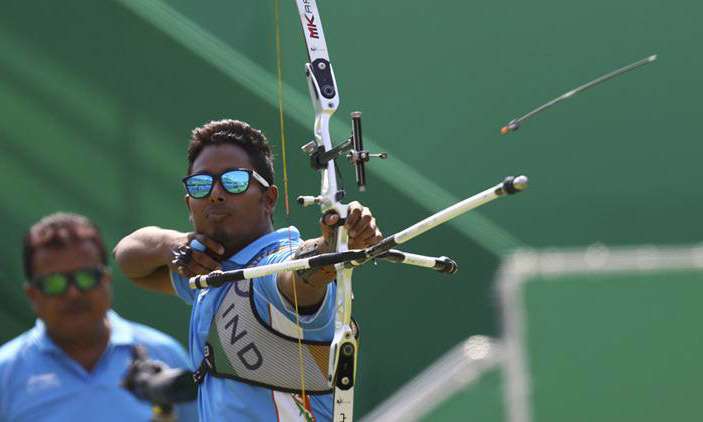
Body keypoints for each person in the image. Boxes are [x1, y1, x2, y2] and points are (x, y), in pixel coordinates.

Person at [113, 119, 382, 421]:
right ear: (189, 204)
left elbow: (297, 277)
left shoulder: (272, 265)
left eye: (234, 181)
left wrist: (330, 247)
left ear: (268, 199)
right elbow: (128, 259)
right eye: (201, 185)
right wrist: (174, 245)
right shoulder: (208, 270)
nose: (215, 193)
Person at [0, 213, 198, 421]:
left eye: (86, 277)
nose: (73, 293)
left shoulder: (165, 354)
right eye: (54, 283)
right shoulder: (5, 372)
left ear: (106, 280)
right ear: (32, 294)